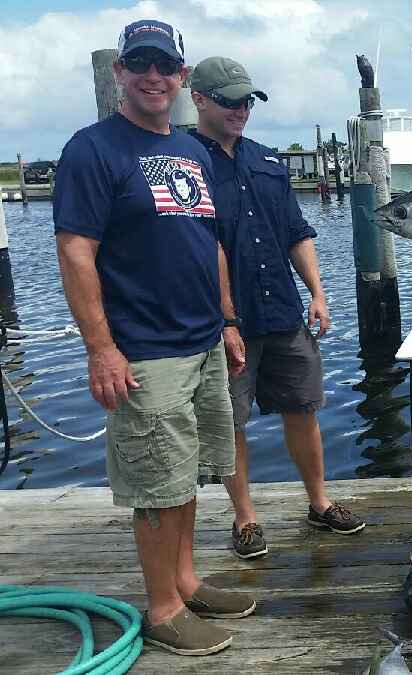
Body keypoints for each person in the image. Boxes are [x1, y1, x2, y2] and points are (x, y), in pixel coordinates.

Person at [54, 19, 255, 655]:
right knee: (156, 485)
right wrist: (101, 348)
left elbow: (210, 242)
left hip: (201, 340)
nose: (152, 76)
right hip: (145, 350)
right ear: (119, 72)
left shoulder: (193, 151)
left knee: (190, 473)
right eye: (139, 63)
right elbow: (76, 252)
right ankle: (164, 607)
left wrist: (225, 318)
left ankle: (187, 580)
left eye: (164, 65)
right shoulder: (92, 149)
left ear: (181, 76)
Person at [189, 56, 365, 560]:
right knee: (231, 422)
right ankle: (245, 517)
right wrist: (223, 320)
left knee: (303, 407)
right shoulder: (182, 163)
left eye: (247, 100)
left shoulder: (267, 161)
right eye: (229, 101)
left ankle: (320, 502)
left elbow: (297, 233)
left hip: (283, 311)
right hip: (224, 323)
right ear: (198, 99)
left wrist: (318, 292)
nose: (241, 110)